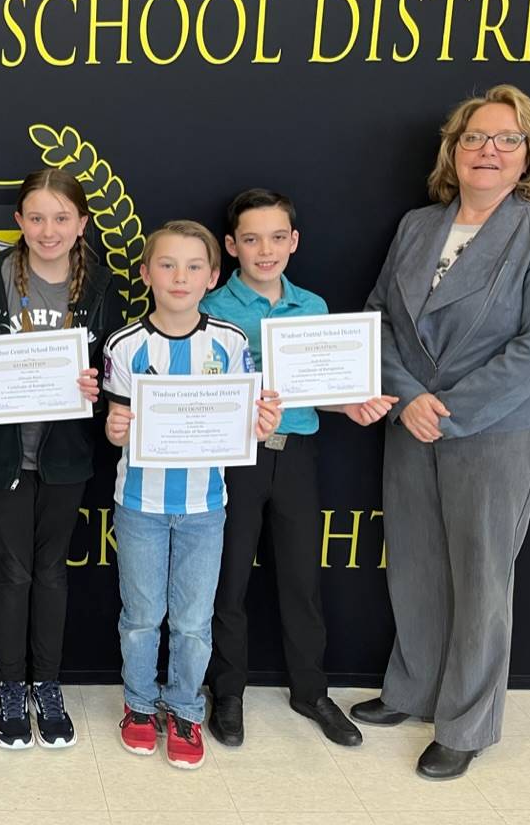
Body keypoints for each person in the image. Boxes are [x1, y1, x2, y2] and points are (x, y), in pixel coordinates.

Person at [355, 85, 530, 779]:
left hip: (494, 431)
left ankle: (466, 723)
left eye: (506, 139)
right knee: (417, 566)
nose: (488, 150)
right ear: (452, 152)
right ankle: (414, 689)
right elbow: (379, 318)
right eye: (475, 138)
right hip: (409, 421)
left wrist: (444, 409)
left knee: (483, 579)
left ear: (528, 158)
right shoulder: (418, 225)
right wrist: (409, 400)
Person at [200, 189, 397, 749]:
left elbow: (319, 387)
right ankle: (228, 691)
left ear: (295, 242)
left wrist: (350, 403)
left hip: (299, 454)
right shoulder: (212, 307)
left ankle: (311, 691)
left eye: (278, 237)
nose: (266, 249)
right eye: (252, 238)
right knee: (229, 580)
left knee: (302, 579)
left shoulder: (311, 307)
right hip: (235, 458)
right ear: (232, 246)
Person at [0, 168, 125, 750]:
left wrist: (95, 386)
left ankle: (47, 685)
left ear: (81, 224)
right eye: (35, 217)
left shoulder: (101, 287)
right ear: (18, 222)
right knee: (12, 572)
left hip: (66, 456)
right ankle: (10, 686)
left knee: (51, 571)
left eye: (60, 218)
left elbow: (114, 374)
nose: (48, 230)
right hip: (3, 455)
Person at [102, 221, 281, 770]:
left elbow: (243, 422)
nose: (180, 277)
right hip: (140, 504)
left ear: (213, 276)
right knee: (141, 615)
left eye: (193, 267)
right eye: (167, 265)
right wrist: (115, 428)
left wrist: (260, 423)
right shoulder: (125, 345)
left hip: (205, 506)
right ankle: (137, 705)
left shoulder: (230, 341)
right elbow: (115, 421)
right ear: (146, 273)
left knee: (192, 620)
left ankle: (182, 708)